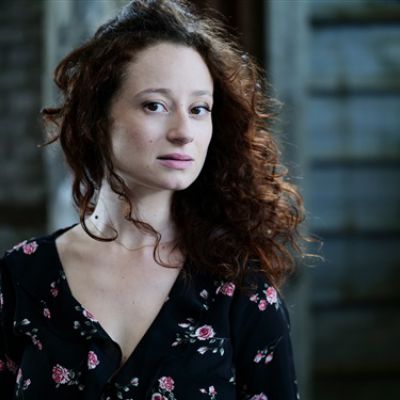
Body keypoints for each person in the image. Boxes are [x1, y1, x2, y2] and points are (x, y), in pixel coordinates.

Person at [0, 0, 305, 398]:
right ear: (97, 117)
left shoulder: (240, 286)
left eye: (199, 109)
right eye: (155, 105)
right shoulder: (22, 276)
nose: (183, 131)